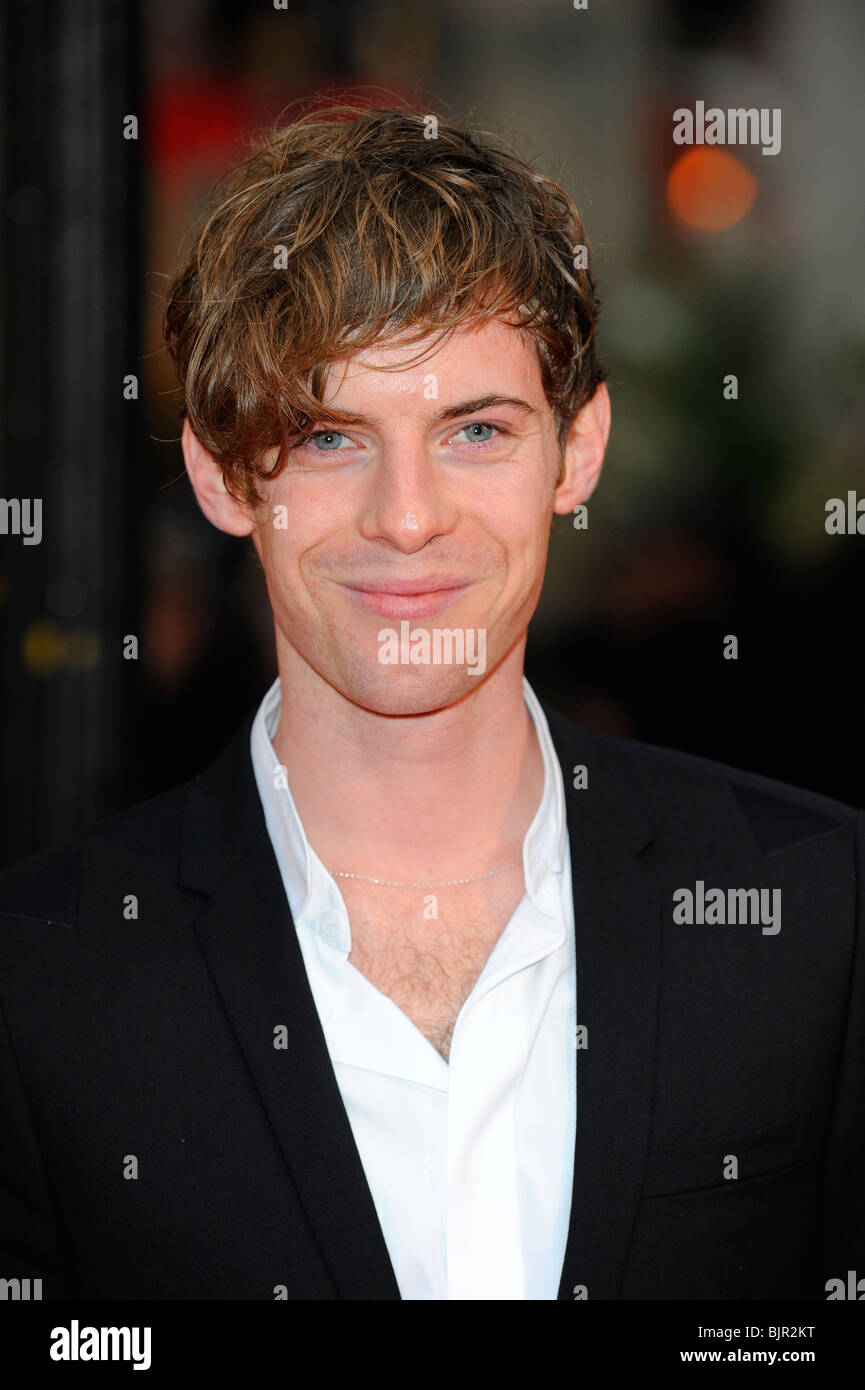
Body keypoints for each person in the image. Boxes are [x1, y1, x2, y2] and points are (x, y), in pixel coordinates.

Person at [0, 104, 862, 1302]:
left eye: (473, 430)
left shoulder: (819, 907)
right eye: (330, 438)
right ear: (219, 472)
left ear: (578, 451)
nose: (407, 516)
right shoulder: (40, 979)